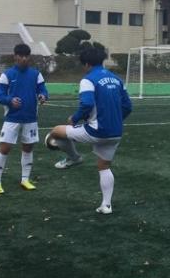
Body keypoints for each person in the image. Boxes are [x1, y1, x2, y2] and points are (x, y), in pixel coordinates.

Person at [46, 46, 132, 214]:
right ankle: (106, 205)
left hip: (96, 131)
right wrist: (114, 120)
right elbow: (128, 106)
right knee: (104, 166)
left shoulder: (88, 80)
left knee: (56, 131)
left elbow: (86, 103)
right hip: (116, 132)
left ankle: (74, 158)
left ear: (86, 64)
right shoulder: (117, 79)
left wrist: (75, 118)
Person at [0, 43, 48, 194]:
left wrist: (43, 96)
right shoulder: (7, 75)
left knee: (28, 148)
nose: (24, 59)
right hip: (12, 118)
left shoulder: (36, 74)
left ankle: (25, 180)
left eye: (26, 56)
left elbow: (43, 90)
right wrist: (10, 100)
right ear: (15, 57)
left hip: (31, 118)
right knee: (4, 149)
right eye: (21, 56)